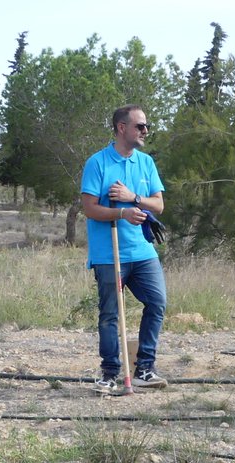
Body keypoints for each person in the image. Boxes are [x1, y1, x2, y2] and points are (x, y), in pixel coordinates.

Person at [80, 104, 168, 392]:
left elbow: (159, 204)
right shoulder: (98, 163)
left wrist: (133, 198)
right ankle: (109, 373)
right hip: (109, 254)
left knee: (156, 303)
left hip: (142, 252)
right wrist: (121, 213)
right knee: (109, 314)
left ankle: (145, 368)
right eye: (140, 126)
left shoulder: (146, 163)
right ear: (121, 128)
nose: (145, 131)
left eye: (146, 126)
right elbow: (89, 208)